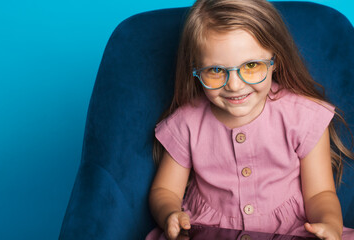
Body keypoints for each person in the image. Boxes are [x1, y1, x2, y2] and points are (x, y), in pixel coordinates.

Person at [146, 0, 354, 239]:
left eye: (251, 65)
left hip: (291, 232)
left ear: (275, 60)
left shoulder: (303, 116)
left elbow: (320, 193)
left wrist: (328, 224)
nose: (234, 86)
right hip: (209, 231)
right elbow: (164, 190)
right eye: (215, 70)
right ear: (196, 70)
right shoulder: (187, 123)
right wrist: (170, 214)